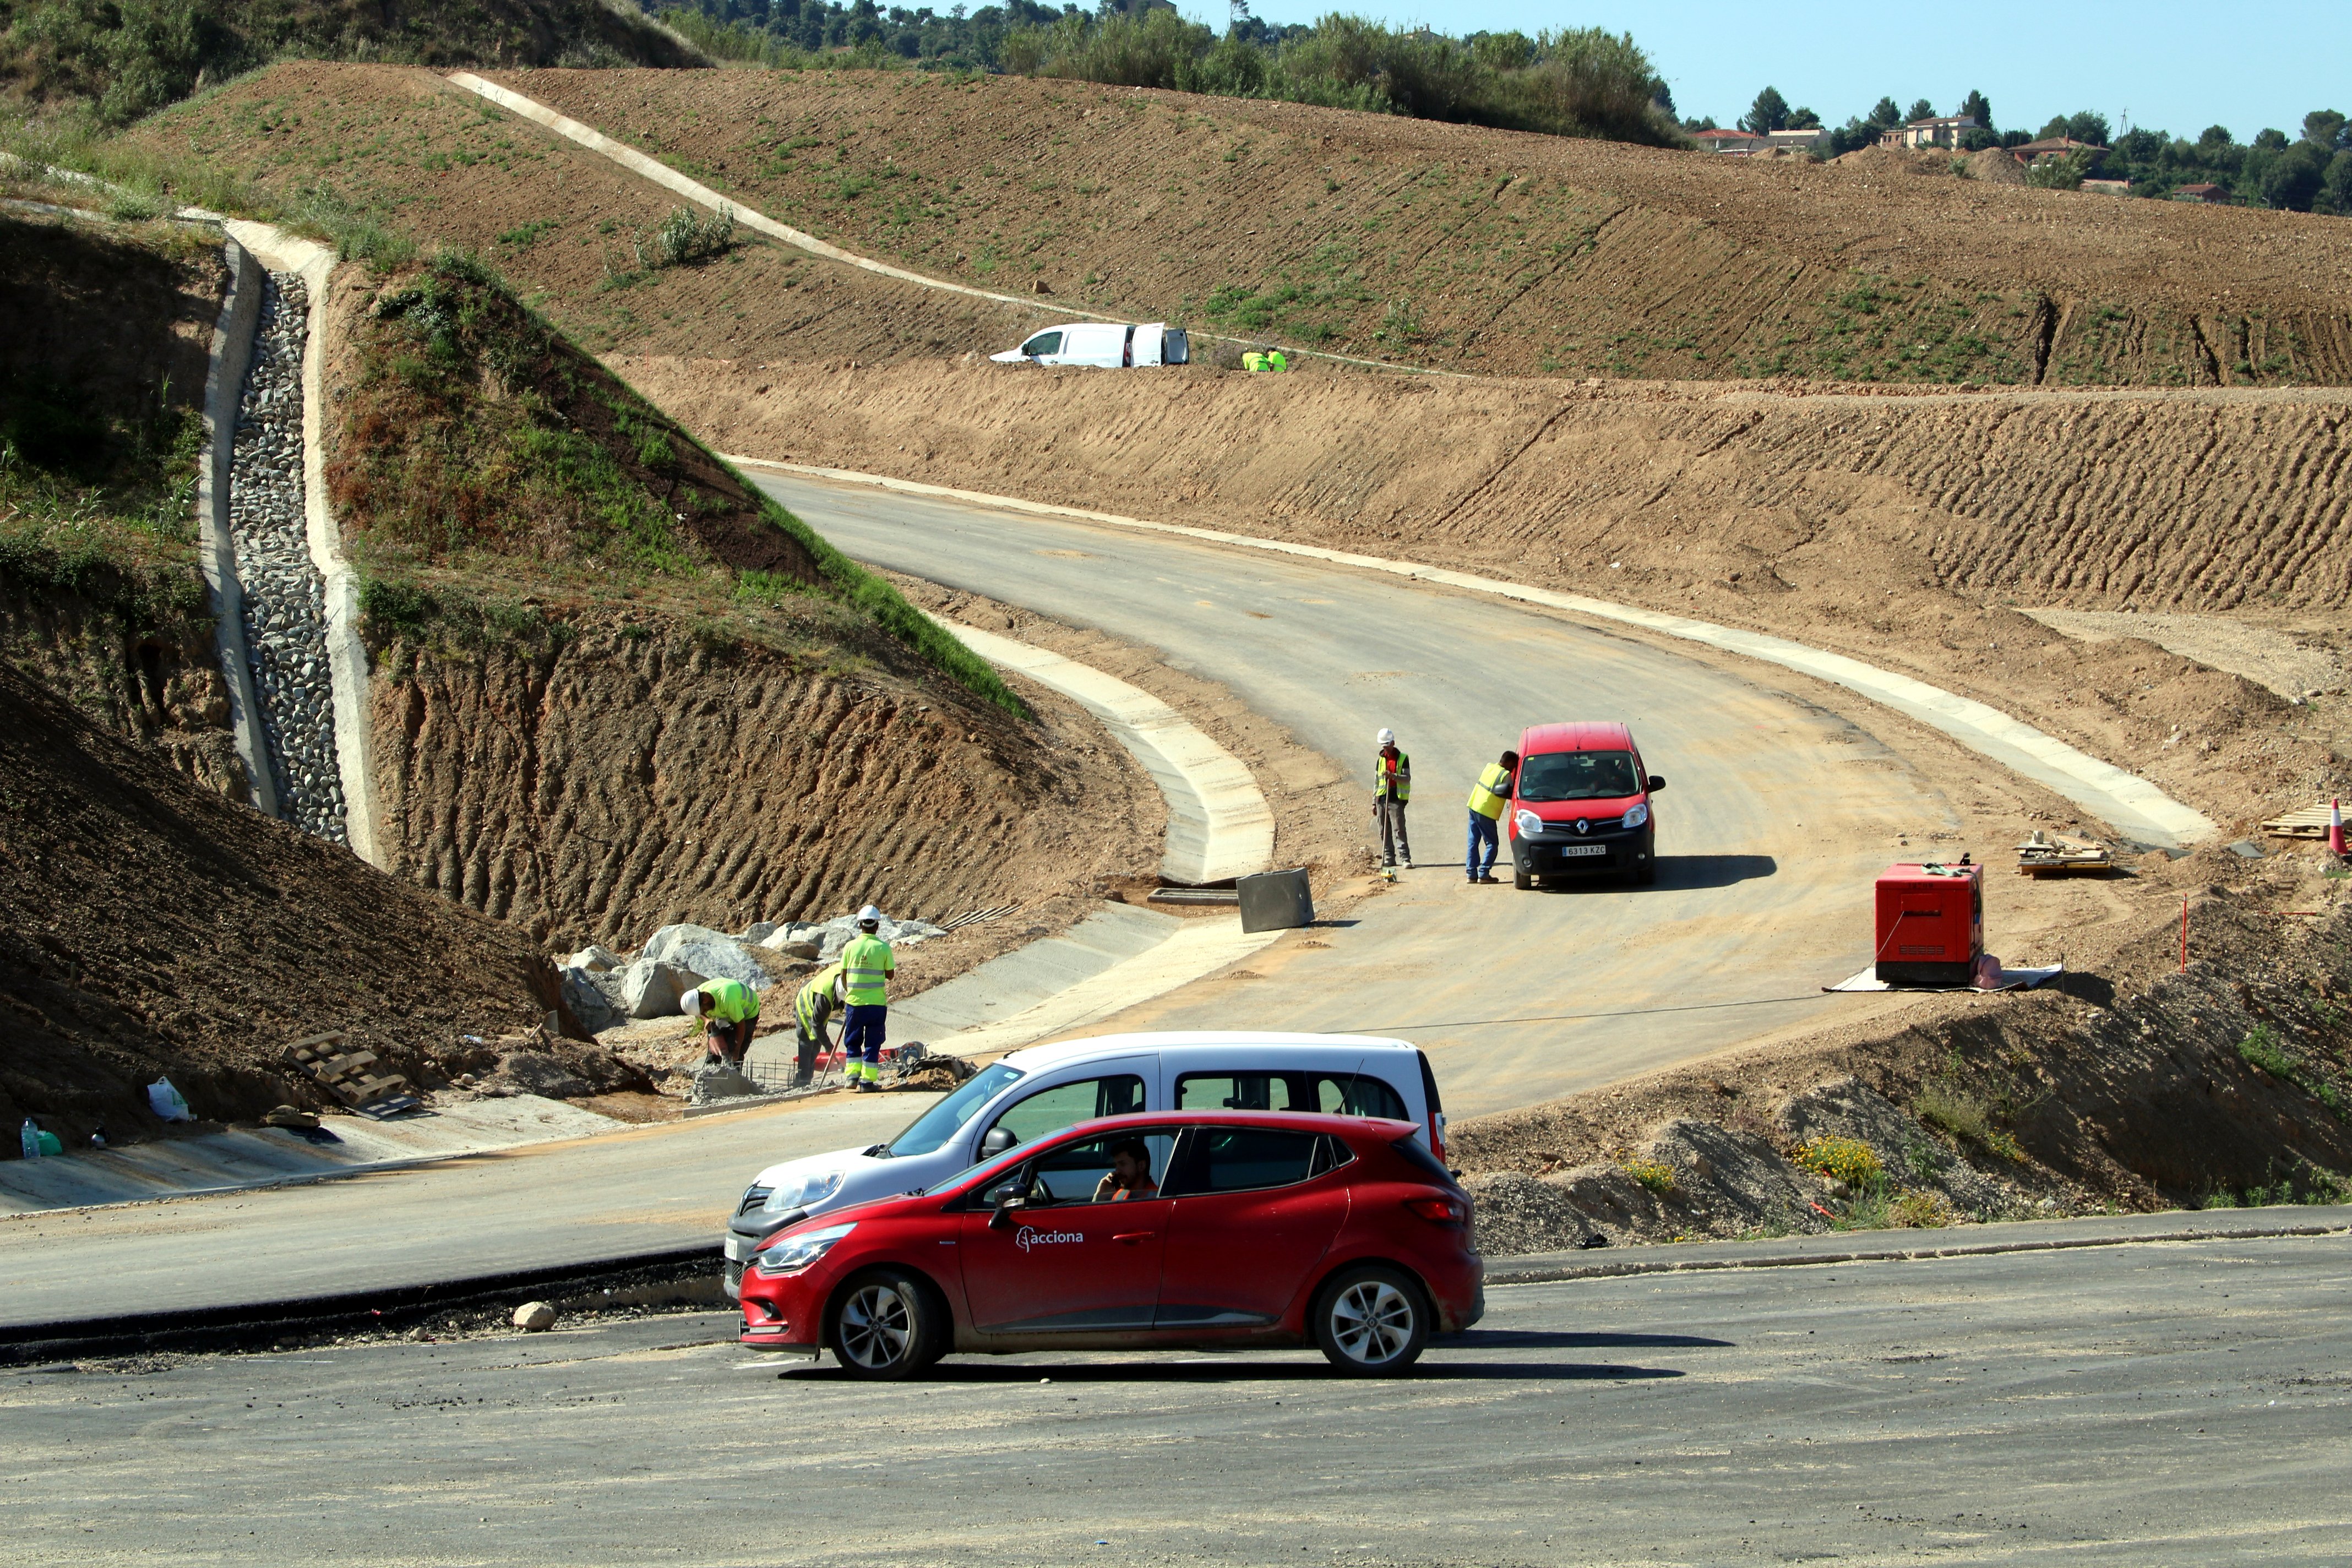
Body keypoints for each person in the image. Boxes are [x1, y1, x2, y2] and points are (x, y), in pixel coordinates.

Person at [840, 905, 896, 1092]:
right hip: (876, 1005)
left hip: (854, 1004)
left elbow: (843, 975)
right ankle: (867, 1083)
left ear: (860, 925)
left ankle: (852, 1077)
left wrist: (851, 992)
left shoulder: (850, 947)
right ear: (877, 926)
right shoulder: (883, 948)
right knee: (873, 1042)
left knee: (853, 1040)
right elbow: (890, 975)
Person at [681, 976, 759, 1071]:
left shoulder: (726, 998)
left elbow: (741, 1025)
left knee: (733, 1051)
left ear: (705, 1000)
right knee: (717, 1046)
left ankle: (734, 1080)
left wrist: (736, 1050)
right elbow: (699, 1013)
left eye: (705, 1010)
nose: (706, 1012)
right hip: (726, 1012)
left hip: (748, 1013)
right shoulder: (698, 995)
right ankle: (710, 1075)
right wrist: (706, 1020)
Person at [1466, 749, 1520, 885]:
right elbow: (1511, 793)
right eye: (1514, 766)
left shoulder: (1490, 766)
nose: (1514, 769)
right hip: (1486, 811)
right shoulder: (1505, 775)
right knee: (1492, 844)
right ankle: (1484, 874)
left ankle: (1471, 874)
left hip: (1474, 805)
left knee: (1473, 841)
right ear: (1510, 763)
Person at [790, 961, 844, 1087]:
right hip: (805, 1005)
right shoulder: (825, 998)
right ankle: (802, 1082)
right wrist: (829, 1046)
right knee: (807, 1044)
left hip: (816, 1005)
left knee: (816, 1045)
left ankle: (808, 1079)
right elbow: (817, 1025)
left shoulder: (846, 976)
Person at [1374, 727, 1412, 870]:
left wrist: (1394, 777)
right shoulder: (1380, 760)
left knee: (1399, 830)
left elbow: (1407, 778)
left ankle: (1405, 858)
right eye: (1383, 746)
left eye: (1387, 745)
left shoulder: (1403, 759)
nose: (1385, 749)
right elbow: (1376, 782)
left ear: (1393, 743)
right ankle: (1389, 857)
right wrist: (1374, 802)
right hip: (1382, 799)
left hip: (1396, 799)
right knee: (1384, 830)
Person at [1093, 1138, 1159, 1202]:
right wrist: (1099, 1196)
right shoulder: (1121, 1194)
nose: (1117, 1171)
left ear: (1141, 1166)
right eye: (1116, 1165)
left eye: (1123, 1164)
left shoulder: (1156, 1198)